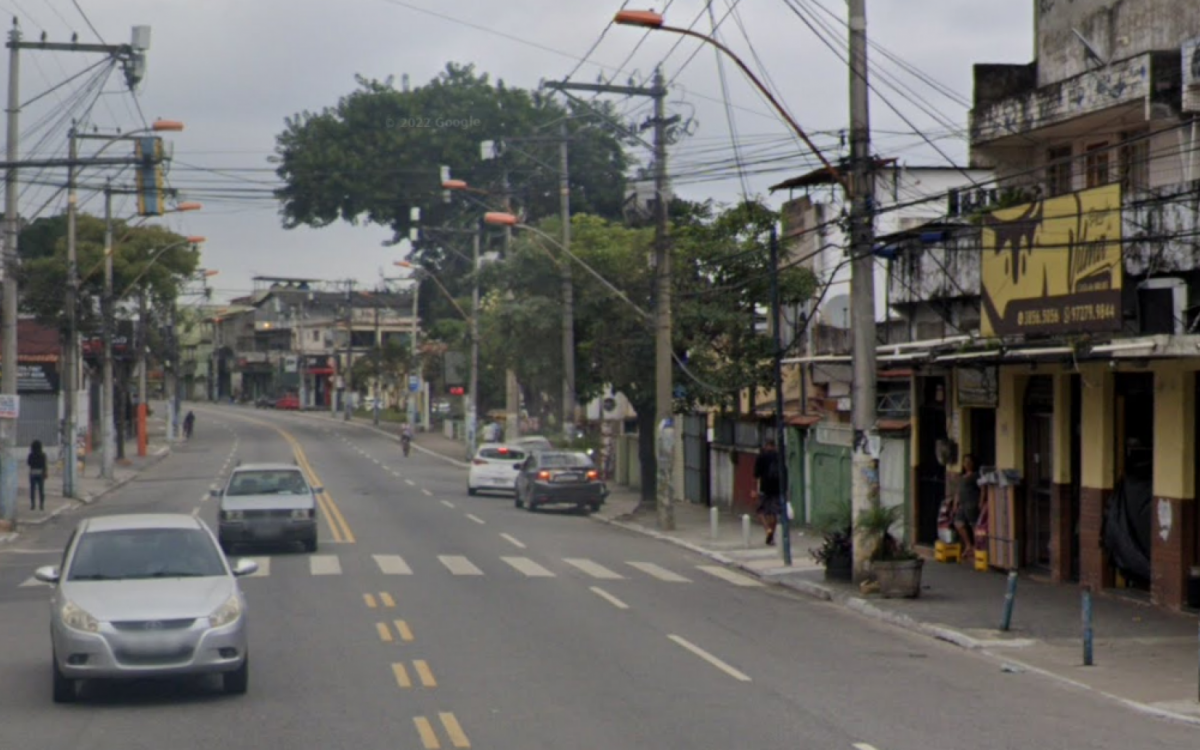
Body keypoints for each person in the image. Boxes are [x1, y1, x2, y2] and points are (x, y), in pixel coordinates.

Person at [752, 439, 784, 546]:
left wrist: (754, 489)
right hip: (777, 489)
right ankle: (771, 534)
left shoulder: (761, 457)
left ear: (766, 446)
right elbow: (785, 472)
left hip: (764, 488)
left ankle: (768, 530)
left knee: (760, 510)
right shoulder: (779, 457)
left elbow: (756, 475)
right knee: (773, 513)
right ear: (774, 446)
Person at [952, 453, 982, 559]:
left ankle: (976, 547)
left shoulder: (976, 475)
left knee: (974, 525)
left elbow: (983, 488)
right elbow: (958, 491)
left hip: (972, 503)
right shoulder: (962, 476)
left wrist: (980, 501)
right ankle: (968, 544)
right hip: (962, 504)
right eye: (965, 462)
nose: (967, 464)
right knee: (958, 523)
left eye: (969, 462)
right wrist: (955, 504)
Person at [27, 440, 47, 511]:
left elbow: (28, 463)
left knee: (32, 490)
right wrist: (45, 473)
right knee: (41, 490)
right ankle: (41, 505)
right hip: (40, 472)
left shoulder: (31, 455)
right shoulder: (43, 455)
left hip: (33, 472)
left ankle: (33, 505)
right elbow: (44, 465)